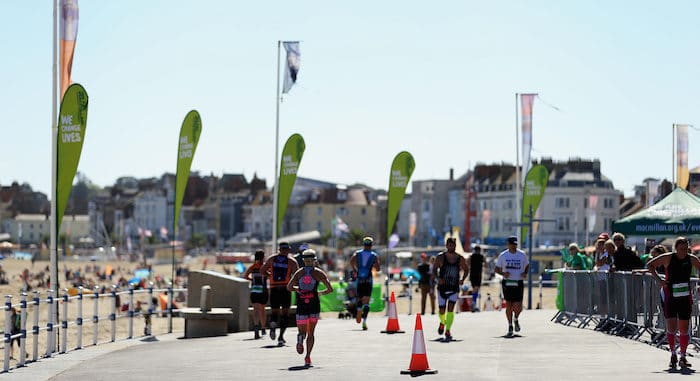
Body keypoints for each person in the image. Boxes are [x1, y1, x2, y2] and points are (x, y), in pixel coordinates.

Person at [646, 237, 700, 369]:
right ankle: (673, 354)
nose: (684, 252)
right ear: (676, 248)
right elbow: (650, 265)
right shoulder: (668, 258)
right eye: (681, 249)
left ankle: (683, 356)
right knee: (671, 327)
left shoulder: (692, 259)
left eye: (686, 249)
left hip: (685, 297)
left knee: (684, 328)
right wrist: (659, 280)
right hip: (670, 296)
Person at [287, 249, 333, 367]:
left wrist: (298, 289)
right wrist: (319, 293)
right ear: (314, 260)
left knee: (302, 331)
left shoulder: (299, 272)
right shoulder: (319, 273)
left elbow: (289, 287)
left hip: (302, 304)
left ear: (303, 261)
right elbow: (330, 289)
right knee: (311, 332)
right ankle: (307, 357)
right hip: (314, 304)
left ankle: (300, 339)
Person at [260, 241, 298, 346]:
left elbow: (262, 270)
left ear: (279, 250)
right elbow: (297, 275)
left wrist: (270, 276)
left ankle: (272, 326)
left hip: (274, 288)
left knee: (274, 312)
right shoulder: (291, 261)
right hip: (286, 288)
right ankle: (281, 337)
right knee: (285, 314)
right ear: (288, 250)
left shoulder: (272, 259)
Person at [431, 237, 469, 341]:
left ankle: (448, 330)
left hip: (454, 288)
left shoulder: (460, 258)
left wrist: (462, 279)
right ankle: (442, 322)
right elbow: (434, 270)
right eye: (450, 245)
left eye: (453, 245)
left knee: (450, 310)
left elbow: (466, 269)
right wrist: (438, 278)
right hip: (442, 288)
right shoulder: (440, 257)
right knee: (442, 311)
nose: (451, 247)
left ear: (455, 246)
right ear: (446, 246)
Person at [495, 236, 529, 337]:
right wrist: (503, 273)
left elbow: (527, 265)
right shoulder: (503, 255)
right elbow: (496, 269)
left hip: (518, 282)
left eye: (515, 244)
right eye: (512, 244)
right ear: (508, 244)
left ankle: (516, 318)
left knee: (518, 306)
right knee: (509, 305)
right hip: (507, 282)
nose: (514, 246)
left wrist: (525, 273)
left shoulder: (522, 254)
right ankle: (510, 325)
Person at [349, 236, 380, 330]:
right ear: (371, 245)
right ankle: (365, 321)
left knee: (359, 298)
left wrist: (355, 270)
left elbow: (351, 261)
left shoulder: (357, 253)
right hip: (368, 279)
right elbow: (378, 269)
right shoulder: (374, 255)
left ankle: (359, 310)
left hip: (360, 279)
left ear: (364, 244)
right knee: (366, 301)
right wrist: (374, 265)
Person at [243, 249, 268, 339]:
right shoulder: (264, 267)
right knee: (262, 310)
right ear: (263, 257)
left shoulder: (252, 267)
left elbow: (245, 276)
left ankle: (256, 327)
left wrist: (252, 280)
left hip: (254, 290)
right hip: (263, 291)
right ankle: (263, 328)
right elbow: (269, 275)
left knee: (255, 310)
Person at [467, 245, 484, 312]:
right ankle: (473, 303)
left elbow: (467, 262)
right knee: (476, 289)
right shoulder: (481, 256)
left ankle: (474, 303)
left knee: (475, 289)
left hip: (472, 274)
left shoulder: (471, 256)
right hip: (478, 274)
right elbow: (486, 264)